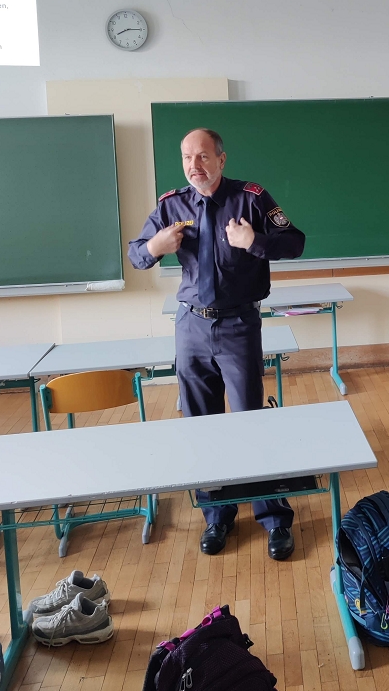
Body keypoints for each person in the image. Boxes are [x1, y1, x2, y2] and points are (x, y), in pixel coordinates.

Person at [128, 127, 306, 558]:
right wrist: (155, 245)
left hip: (238, 324)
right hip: (190, 326)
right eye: (187, 157)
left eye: (203, 156)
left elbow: (295, 242)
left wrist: (254, 241)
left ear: (221, 160)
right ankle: (217, 515)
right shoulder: (171, 205)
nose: (195, 165)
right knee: (201, 425)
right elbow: (136, 255)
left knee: (249, 421)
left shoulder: (251, 198)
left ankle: (273, 517)